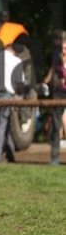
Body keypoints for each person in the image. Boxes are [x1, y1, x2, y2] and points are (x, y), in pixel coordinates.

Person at [0, 42, 24, 163]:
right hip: (6, 95)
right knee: (2, 124)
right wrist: (16, 93)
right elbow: (19, 83)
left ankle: (10, 155)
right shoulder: (16, 60)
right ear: (13, 51)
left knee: (3, 123)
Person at [42, 31, 66, 164]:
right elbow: (52, 73)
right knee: (56, 127)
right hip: (59, 94)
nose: (63, 51)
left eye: (65, 48)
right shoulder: (57, 61)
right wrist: (46, 81)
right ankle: (55, 157)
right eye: (62, 48)